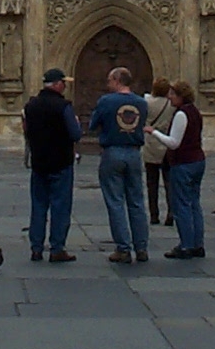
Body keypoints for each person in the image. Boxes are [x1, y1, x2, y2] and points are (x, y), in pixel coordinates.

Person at [89, 66, 150, 264]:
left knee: (115, 201)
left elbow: (92, 125)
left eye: (109, 80)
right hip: (134, 152)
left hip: (113, 151)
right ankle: (141, 247)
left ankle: (123, 248)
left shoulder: (106, 101)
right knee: (137, 201)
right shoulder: (142, 103)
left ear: (117, 80)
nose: (108, 84)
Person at [22, 68, 81, 262]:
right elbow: (75, 134)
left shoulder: (31, 105)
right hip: (61, 162)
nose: (65, 87)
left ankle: (36, 248)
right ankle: (57, 248)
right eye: (63, 83)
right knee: (60, 206)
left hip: (39, 162)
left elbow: (27, 130)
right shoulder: (63, 106)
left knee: (38, 206)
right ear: (56, 84)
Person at [151, 79, 207, 261]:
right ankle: (197, 244)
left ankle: (186, 245)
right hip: (197, 160)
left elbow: (174, 143)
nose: (170, 97)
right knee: (194, 203)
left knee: (181, 204)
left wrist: (153, 132)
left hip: (184, 163)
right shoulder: (195, 112)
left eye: (173, 94)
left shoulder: (181, 114)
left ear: (181, 96)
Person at [143, 78, 174, 226]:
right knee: (169, 182)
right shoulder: (171, 104)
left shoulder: (147, 102)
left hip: (151, 143)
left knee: (152, 182)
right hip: (166, 143)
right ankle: (171, 212)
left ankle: (154, 214)